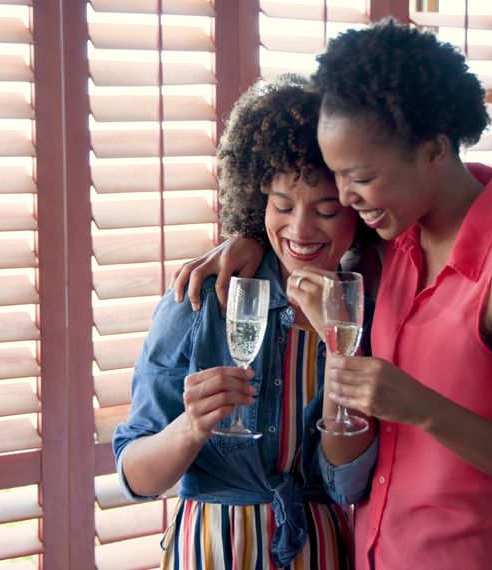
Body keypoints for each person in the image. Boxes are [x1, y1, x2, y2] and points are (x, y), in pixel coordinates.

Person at [171, 20, 492, 569]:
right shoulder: (386, 242)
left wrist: (421, 409)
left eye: (359, 177)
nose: (344, 198)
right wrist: (247, 239)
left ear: (434, 150)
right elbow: (302, 228)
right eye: (337, 177)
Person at [113, 75, 379, 569]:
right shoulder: (202, 297)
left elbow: (349, 484)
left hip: (318, 552)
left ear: (358, 213)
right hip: (212, 549)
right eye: (282, 206)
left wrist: (344, 355)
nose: (299, 229)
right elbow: (135, 476)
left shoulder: (367, 312)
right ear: (258, 201)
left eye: (325, 210)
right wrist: (190, 428)